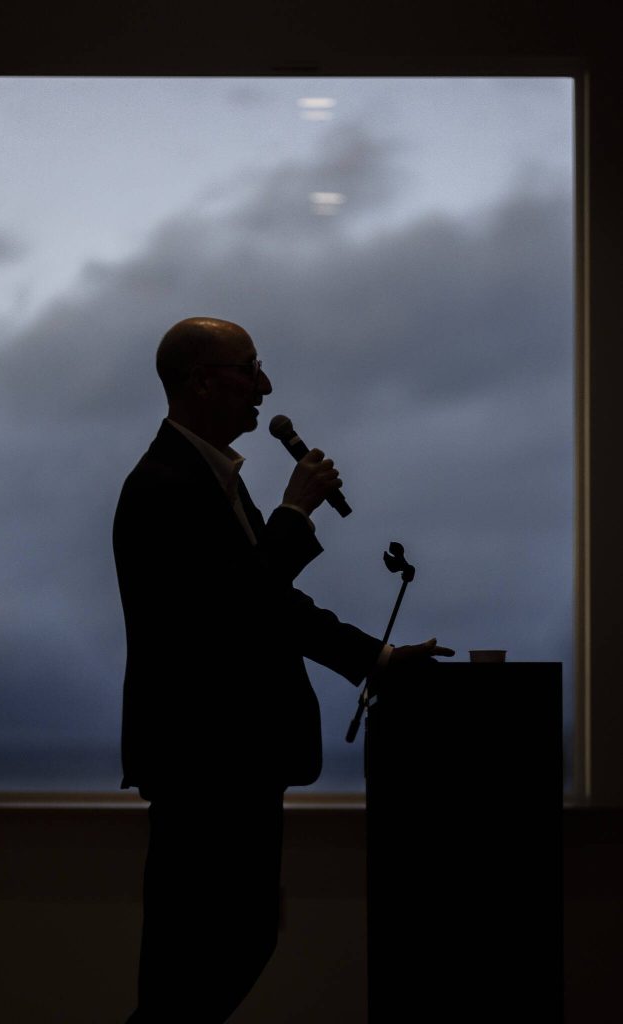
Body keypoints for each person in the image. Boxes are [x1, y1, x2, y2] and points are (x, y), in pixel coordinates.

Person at [113, 316, 454, 1022]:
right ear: (203, 381)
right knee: (197, 962)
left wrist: (379, 659)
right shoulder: (163, 487)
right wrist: (294, 512)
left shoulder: (211, 479)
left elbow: (273, 610)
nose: (265, 387)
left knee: (233, 945)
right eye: (250, 369)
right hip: (205, 763)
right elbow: (240, 609)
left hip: (231, 763)